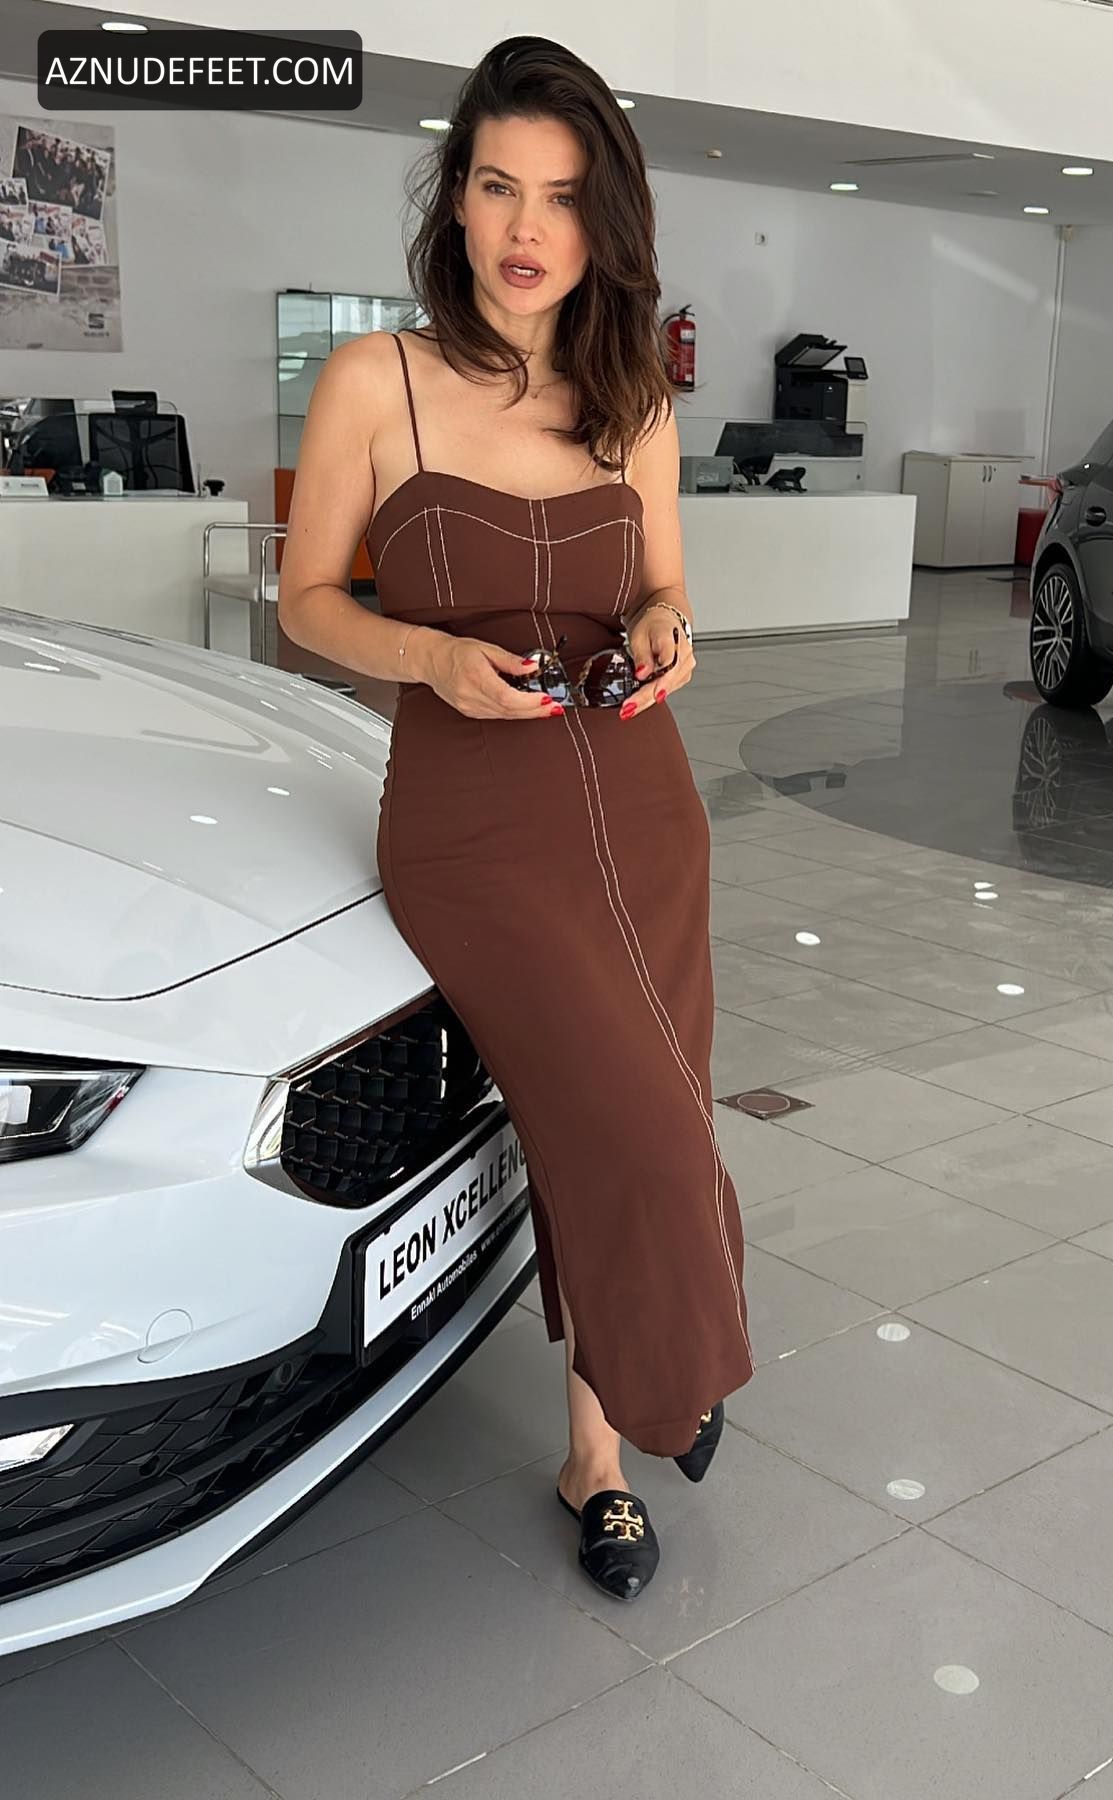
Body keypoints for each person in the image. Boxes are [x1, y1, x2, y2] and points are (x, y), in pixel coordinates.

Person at [278, 35, 753, 1603]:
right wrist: (429, 659)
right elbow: (307, 604)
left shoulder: (633, 393)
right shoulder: (376, 381)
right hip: (473, 828)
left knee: (636, 1118)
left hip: (641, 806)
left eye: (559, 196)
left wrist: (670, 630)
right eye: (497, 186)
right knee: (635, 1129)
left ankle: (596, 1456)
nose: (526, 228)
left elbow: (667, 588)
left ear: (603, 223)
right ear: (456, 200)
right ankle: (674, 1364)